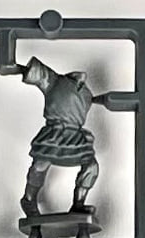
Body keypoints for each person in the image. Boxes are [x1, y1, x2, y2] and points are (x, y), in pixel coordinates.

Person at [18, 57, 99, 215]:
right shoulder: (54, 80)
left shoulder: (87, 94)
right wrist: (15, 67)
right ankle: (29, 199)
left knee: (91, 166)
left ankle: (78, 204)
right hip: (54, 133)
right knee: (40, 165)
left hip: (75, 136)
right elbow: (34, 72)